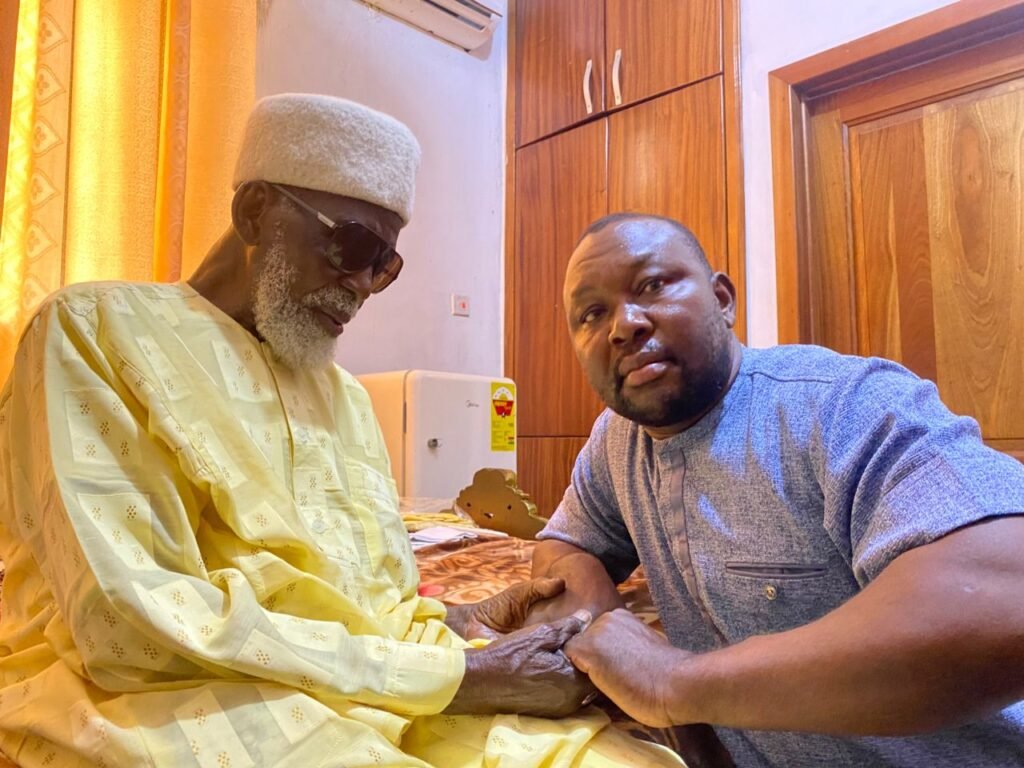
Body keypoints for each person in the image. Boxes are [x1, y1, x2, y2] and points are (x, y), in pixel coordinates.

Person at [0, 96, 683, 767]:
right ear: (255, 212)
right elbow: (126, 621)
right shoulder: (92, 330)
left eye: (384, 265)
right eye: (351, 245)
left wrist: (465, 624)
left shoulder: (345, 397)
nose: (361, 284)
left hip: (379, 682)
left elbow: (366, 600)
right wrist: (461, 680)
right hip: (168, 692)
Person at [527, 211, 1024, 767]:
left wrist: (675, 684)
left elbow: (1009, 599)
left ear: (722, 300)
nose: (624, 325)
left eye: (652, 285)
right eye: (592, 314)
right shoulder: (617, 440)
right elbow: (565, 545)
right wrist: (607, 632)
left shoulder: (840, 403)